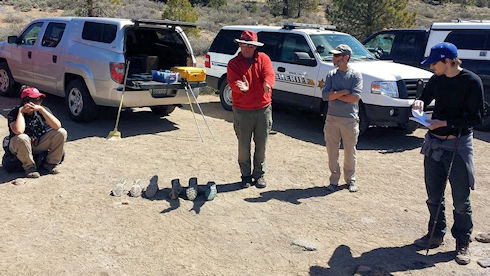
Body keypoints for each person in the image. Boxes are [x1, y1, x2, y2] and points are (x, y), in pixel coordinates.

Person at [412, 42, 484, 265]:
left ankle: (463, 241)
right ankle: (435, 234)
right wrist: (419, 104)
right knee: (434, 195)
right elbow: (425, 97)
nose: (431, 67)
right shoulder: (437, 78)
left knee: (461, 199)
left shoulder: (471, 82)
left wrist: (445, 122)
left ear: (447, 61)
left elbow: (476, 119)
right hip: (434, 144)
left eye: (434, 63)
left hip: (458, 146)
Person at [227, 30, 275, 189]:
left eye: (251, 45)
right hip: (242, 111)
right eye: (245, 45)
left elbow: (269, 74)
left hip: (263, 109)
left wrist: (268, 83)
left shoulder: (263, 59)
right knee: (243, 146)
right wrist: (241, 88)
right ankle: (245, 176)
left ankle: (259, 174)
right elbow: (233, 82)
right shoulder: (233, 63)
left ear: (255, 46)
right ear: (240, 45)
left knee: (261, 145)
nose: (248, 48)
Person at [322, 44, 363, 193]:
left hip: (349, 120)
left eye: (337, 55)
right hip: (332, 118)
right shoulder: (331, 75)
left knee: (349, 151)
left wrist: (336, 94)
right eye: (333, 55)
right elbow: (326, 96)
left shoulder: (355, 75)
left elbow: (355, 98)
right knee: (332, 151)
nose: (334, 58)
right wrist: (343, 92)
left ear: (346, 57)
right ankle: (333, 180)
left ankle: (350, 180)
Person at [7, 87, 67, 178]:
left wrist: (42, 110)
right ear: (25, 101)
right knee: (22, 137)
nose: (38, 102)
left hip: (37, 142)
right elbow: (18, 131)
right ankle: (29, 168)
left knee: (61, 132)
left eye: (40, 99)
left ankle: (50, 165)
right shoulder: (14, 113)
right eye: (34, 100)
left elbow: (57, 126)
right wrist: (21, 112)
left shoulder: (42, 110)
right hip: (18, 146)